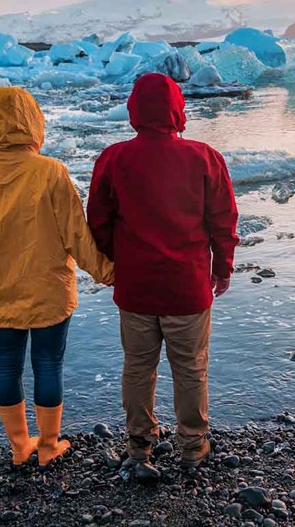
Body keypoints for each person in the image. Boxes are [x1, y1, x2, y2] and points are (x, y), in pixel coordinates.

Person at [87, 73, 239, 471]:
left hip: (135, 287)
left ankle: (140, 445)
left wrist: (116, 260)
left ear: (134, 110)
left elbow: (98, 221)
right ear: (177, 110)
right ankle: (192, 444)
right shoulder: (204, 157)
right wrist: (222, 267)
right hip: (187, 288)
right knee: (190, 367)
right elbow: (223, 220)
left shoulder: (114, 158)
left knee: (138, 366)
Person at [0, 86, 114, 467]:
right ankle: (48, 446)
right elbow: (76, 234)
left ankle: (18, 446)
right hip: (48, 288)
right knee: (48, 364)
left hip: (1, 284)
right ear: (33, 121)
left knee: (6, 365)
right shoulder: (50, 171)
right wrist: (106, 271)